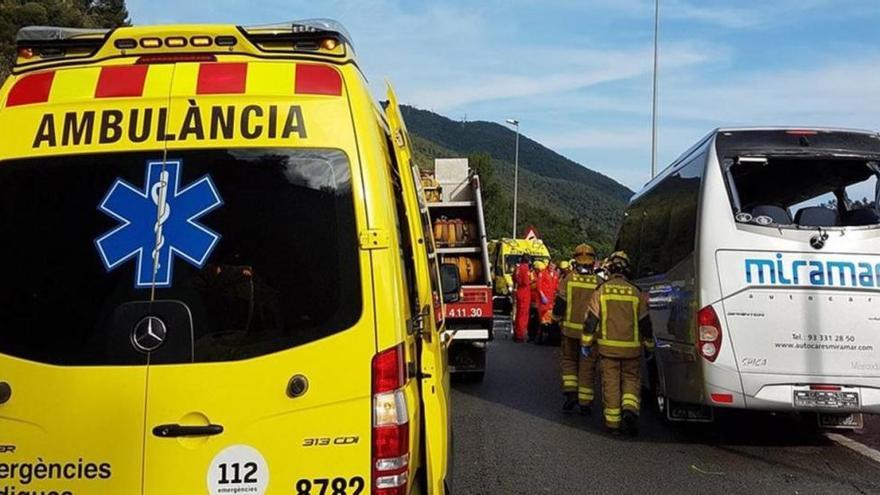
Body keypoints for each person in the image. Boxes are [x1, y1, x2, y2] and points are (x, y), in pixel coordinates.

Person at [583, 251, 653, 436]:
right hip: (631, 350)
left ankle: (613, 424)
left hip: (608, 350)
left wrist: (586, 342)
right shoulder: (636, 292)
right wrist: (649, 345)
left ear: (610, 269)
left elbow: (591, 320)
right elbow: (645, 323)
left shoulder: (602, 290)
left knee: (611, 384)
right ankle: (629, 410)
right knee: (631, 381)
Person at [553, 244, 601, 414]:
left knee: (569, 362)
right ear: (593, 262)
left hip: (569, 332)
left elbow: (560, 304)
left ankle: (571, 393)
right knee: (587, 368)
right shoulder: (599, 282)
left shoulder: (568, 279)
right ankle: (585, 403)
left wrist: (555, 319)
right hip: (590, 334)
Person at [513, 255, 532, 343]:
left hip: (519, 291)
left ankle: (517, 333)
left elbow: (514, 278)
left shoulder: (518, 267)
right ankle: (521, 335)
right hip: (525, 292)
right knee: (523, 315)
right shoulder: (525, 268)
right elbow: (526, 282)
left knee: (518, 314)